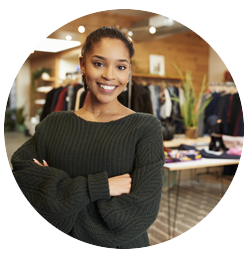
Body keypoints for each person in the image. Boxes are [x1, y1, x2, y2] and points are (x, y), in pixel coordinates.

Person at [11, 27, 165, 249]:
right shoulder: (53, 123)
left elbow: (139, 213)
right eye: (99, 63)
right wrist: (100, 187)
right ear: (82, 65)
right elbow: (22, 183)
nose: (109, 75)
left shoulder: (145, 127)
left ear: (128, 71)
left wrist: (59, 200)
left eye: (120, 66)